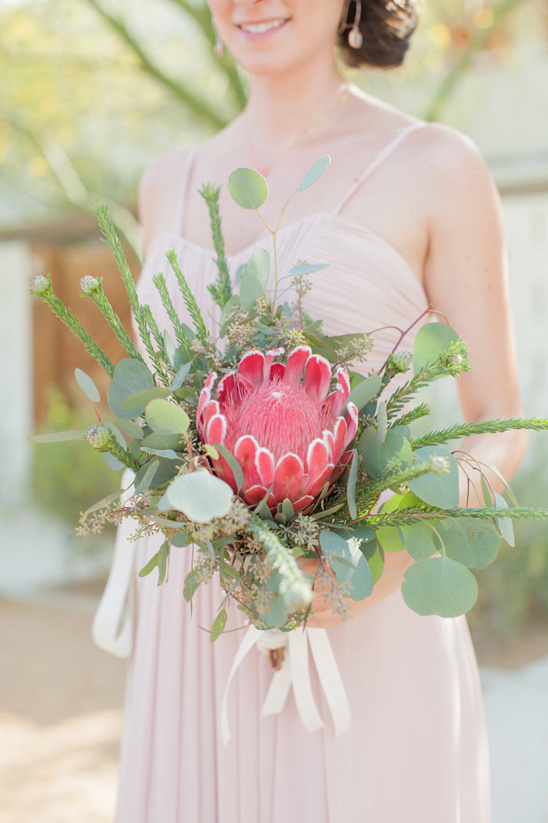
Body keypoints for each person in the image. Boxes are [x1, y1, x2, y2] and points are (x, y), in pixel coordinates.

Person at [111, 1, 527, 820]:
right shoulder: (167, 181)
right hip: (194, 643)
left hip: (361, 637)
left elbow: (499, 420)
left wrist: (378, 563)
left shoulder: (437, 166)